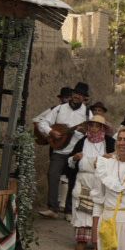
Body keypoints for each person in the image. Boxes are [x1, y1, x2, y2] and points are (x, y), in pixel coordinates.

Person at [33, 81, 90, 218]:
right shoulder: (59, 109)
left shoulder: (88, 114)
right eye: (76, 93)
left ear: (84, 98)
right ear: (72, 94)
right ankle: (53, 209)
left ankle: (69, 211)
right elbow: (42, 123)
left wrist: (84, 132)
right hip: (59, 150)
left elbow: (92, 134)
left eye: (80, 95)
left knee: (73, 180)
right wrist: (51, 132)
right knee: (52, 175)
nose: (77, 96)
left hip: (75, 152)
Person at [68, 112, 114, 250]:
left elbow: (118, 160)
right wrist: (75, 158)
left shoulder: (110, 142)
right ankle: (81, 240)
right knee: (81, 209)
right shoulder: (82, 141)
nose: (94, 128)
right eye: (91, 125)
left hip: (100, 181)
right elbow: (70, 162)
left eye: (97, 126)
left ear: (102, 128)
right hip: (83, 179)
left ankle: (97, 240)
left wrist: (109, 158)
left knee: (98, 209)